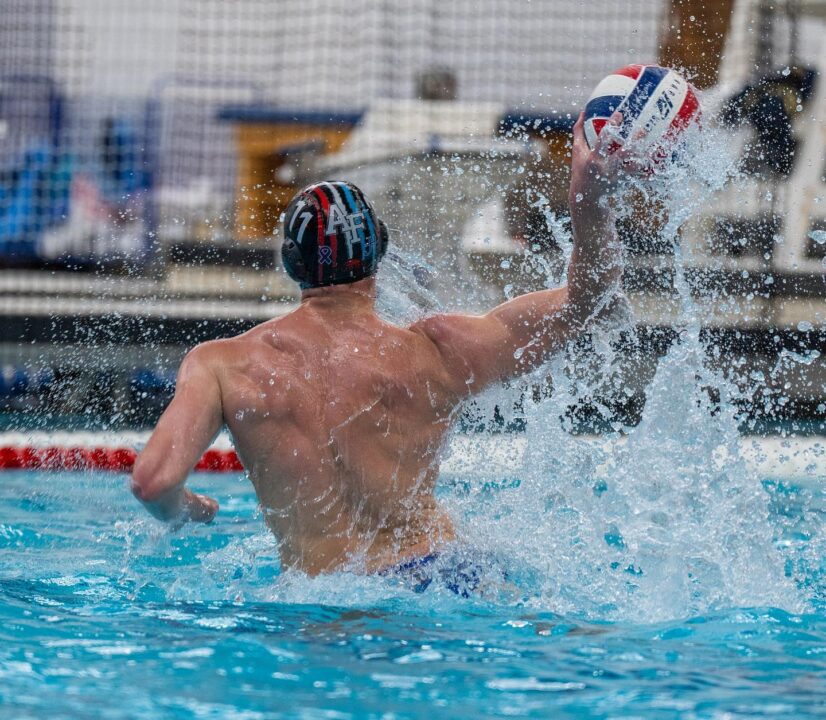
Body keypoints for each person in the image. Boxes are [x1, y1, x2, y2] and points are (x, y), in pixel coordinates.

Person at [131, 111, 634, 589]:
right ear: (379, 253)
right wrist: (589, 199)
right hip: (444, 578)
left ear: (291, 262)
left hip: (326, 600)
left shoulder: (223, 366)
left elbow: (153, 482)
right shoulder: (440, 351)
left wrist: (188, 507)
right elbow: (589, 298)